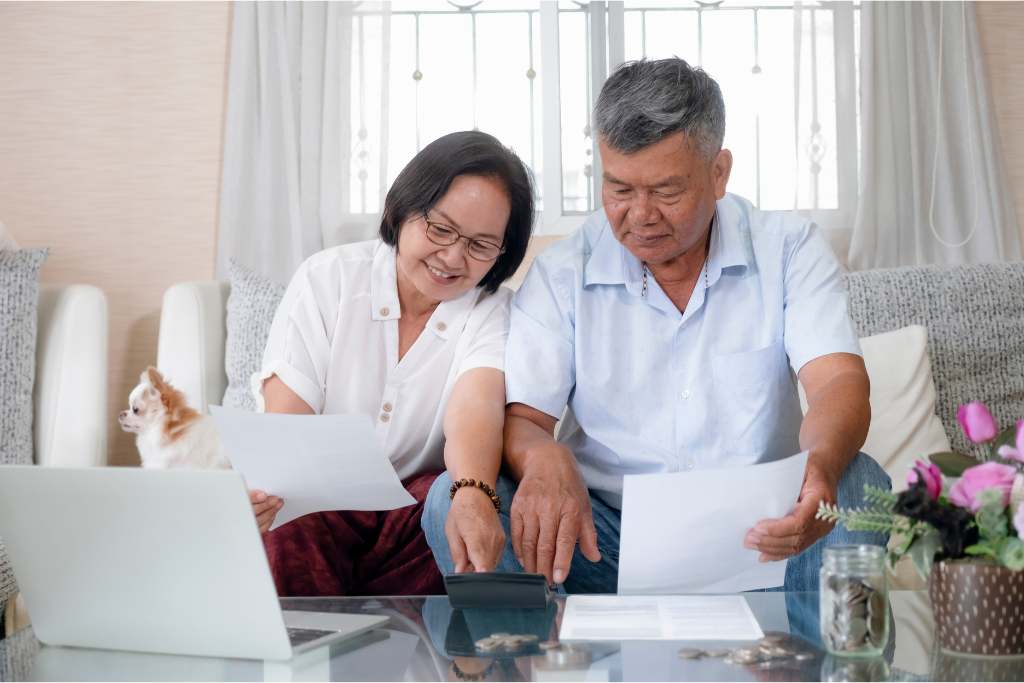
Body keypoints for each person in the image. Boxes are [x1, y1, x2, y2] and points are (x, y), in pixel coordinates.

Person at [423, 58, 889, 593]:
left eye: (666, 191)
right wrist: (544, 456)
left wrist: (820, 467)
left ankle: (794, 667)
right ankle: (526, 666)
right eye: (619, 189)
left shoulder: (788, 248)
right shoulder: (563, 272)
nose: (640, 215)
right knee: (451, 499)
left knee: (858, 485)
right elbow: (524, 420)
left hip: (763, 535)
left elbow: (837, 383)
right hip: (603, 542)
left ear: (719, 173)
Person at [251, 131, 533, 596]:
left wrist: (473, 494)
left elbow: (475, 410)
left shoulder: (493, 311)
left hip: (410, 519)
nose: (453, 257)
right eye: (440, 229)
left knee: (451, 503)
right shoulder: (328, 280)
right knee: (283, 526)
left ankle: (437, 661)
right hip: (317, 508)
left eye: (481, 245)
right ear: (402, 209)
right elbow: (287, 431)